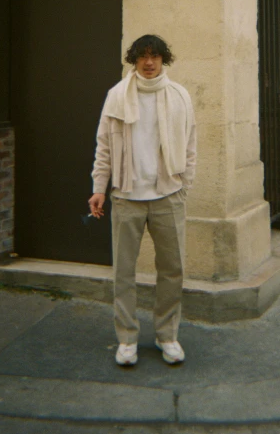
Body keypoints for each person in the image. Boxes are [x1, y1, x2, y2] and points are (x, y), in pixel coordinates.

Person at [89, 34, 196, 366]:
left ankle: (168, 335)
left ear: (164, 59)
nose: (149, 62)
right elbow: (104, 147)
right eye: (142, 56)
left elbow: (191, 146)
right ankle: (127, 338)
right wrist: (99, 187)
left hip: (168, 194)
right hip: (126, 196)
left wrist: (183, 187)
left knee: (173, 268)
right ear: (133, 60)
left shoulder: (179, 96)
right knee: (123, 271)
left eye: (155, 56)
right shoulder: (117, 96)